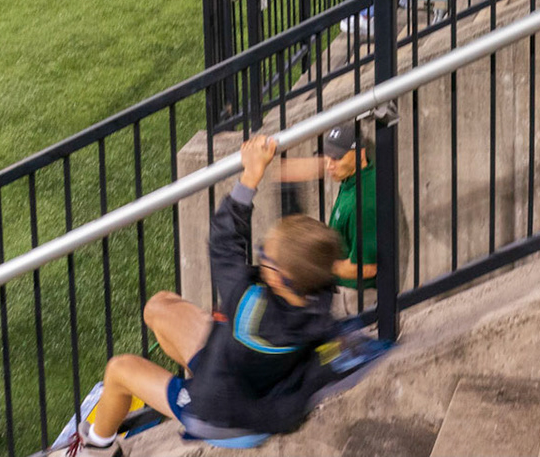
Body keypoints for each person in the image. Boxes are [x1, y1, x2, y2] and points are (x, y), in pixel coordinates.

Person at [55, 134, 345, 450]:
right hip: (247, 377)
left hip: (221, 415)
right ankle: (201, 379)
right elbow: (299, 252)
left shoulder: (249, 306)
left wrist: (251, 175)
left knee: (119, 369)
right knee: (159, 307)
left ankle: (96, 445)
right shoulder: (317, 296)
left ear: (280, 279)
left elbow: (224, 242)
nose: (260, 256)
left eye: (265, 256)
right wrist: (284, 178)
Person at [275, 126, 380, 293]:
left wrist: (317, 265)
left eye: (336, 158)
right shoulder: (353, 177)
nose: (329, 165)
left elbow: (367, 267)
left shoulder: (364, 203)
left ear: (360, 154)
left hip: (353, 296)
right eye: (327, 157)